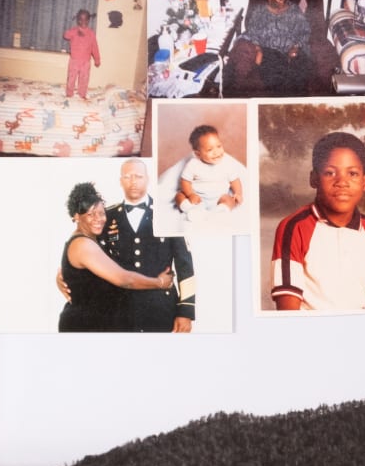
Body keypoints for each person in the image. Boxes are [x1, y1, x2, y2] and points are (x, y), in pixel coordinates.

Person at [269, 131, 365, 312]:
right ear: (314, 179)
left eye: (353, 173)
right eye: (330, 172)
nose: (342, 182)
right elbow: (288, 314)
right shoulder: (294, 228)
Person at [77, 160, 196, 332]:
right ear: (120, 181)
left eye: (138, 176)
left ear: (147, 179)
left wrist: (185, 311)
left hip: (161, 309)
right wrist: (68, 277)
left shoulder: (168, 214)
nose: (133, 181)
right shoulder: (106, 217)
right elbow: (87, 254)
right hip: (119, 310)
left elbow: (185, 264)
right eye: (127, 177)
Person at [58, 182, 174, 333]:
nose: (98, 218)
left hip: (100, 323)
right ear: (76, 217)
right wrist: (159, 282)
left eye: (101, 212)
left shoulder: (91, 240)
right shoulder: (83, 244)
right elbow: (124, 279)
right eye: (91, 214)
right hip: (85, 325)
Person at [244, 0, 310, 93]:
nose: (282, 1)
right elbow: (252, 31)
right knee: (275, 80)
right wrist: (258, 48)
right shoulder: (259, 11)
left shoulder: (294, 10)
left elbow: (305, 31)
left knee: (300, 78)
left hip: (293, 51)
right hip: (270, 52)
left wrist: (296, 46)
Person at [175, 124, 246, 218]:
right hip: (198, 199)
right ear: (198, 154)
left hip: (219, 198)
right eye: (210, 150)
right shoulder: (193, 164)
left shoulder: (227, 163)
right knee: (179, 196)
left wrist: (238, 193)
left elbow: (235, 181)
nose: (216, 152)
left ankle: (220, 212)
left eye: (219, 146)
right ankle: (190, 210)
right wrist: (191, 194)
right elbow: (185, 181)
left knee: (230, 200)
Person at [62, 9, 100, 100]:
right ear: (77, 20)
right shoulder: (74, 31)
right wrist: (75, 31)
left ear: (88, 20)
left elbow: (95, 47)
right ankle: (69, 93)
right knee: (71, 77)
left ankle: (82, 93)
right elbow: (65, 35)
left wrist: (97, 59)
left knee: (84, 78)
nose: (83, 21)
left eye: (85, 19)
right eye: (80, 19)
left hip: (86, 61)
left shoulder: (91, 33)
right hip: (74, 60)